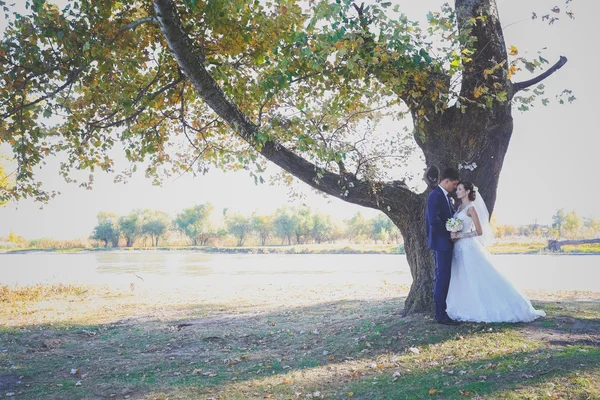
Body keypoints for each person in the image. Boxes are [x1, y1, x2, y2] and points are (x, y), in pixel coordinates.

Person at [446, 181, 546, 323]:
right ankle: (464, 305)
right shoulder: (459, 207)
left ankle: (491, 305)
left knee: (475, 276)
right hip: (458, 247)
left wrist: (460, 235)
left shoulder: (471, 208)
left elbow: (479, 231)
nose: (457, 191)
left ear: (467, 191)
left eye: (460, 189)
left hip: (468, 246)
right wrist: (453, 232)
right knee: (461, 277)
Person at [426, 167, 460, 325]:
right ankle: (440, 314)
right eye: (454, 184)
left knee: (446, 277)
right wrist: (450, 232)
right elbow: (434, 221)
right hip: (441, 243)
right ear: (446, 181)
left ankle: (446, 310)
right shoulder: (435, 196)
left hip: (446, 243)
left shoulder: (446, 197)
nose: (455, 187)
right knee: (442, 277)